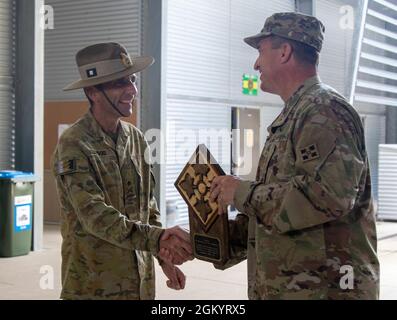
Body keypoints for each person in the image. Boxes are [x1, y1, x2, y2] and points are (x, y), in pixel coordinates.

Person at [210, 12, 380, 300]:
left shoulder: (323, 110)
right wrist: (208, 240)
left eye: (261, 52)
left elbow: (328, 197)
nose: (255, 64)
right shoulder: (296, 113)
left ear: (285, 52)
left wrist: (242, 193)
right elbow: (278, 213)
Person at [52, 42, 192, 300]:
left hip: (140, 284)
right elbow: (95, 216)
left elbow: (148, 206)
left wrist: (164, 258)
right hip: (94, 285)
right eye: (120, 84)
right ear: (93, 91)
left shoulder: (135, 138)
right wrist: (158, 239)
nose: (132, 90)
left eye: (132, 80)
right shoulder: (74, 143)